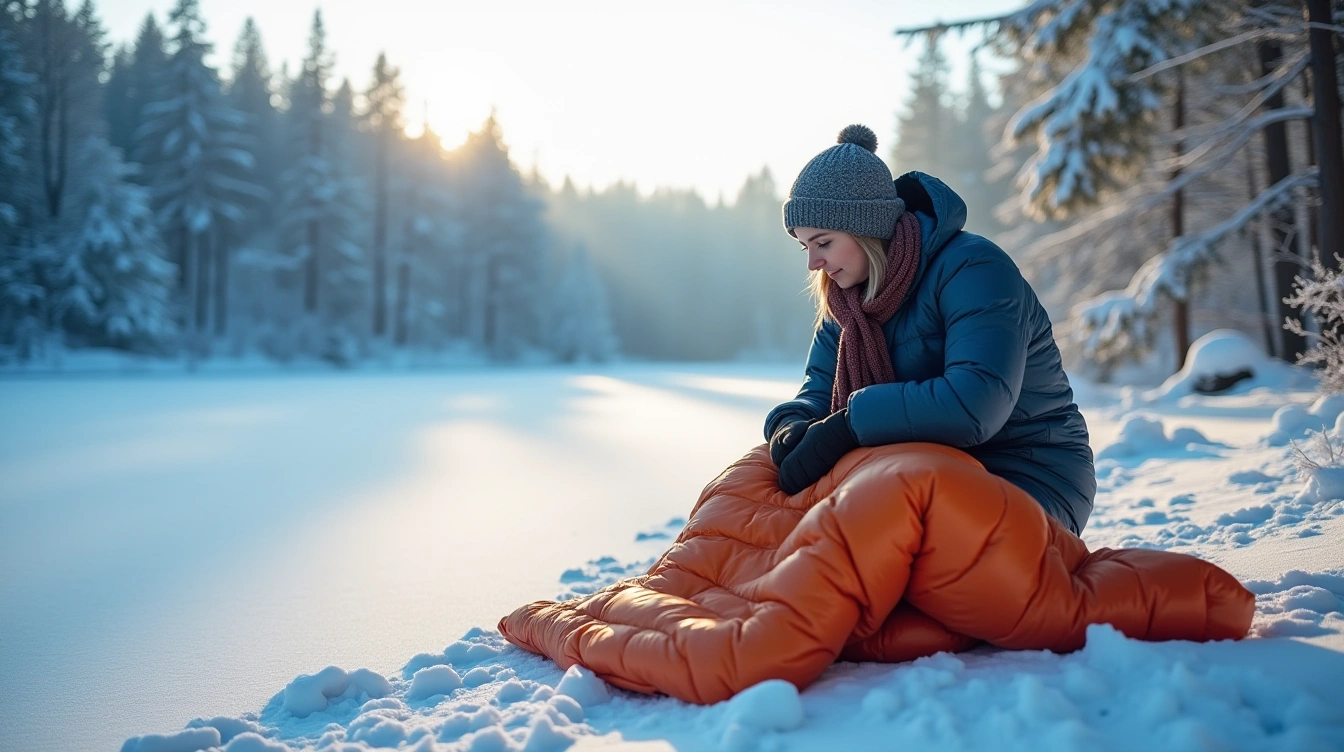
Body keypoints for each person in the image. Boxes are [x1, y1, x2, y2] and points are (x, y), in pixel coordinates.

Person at [765, 124, 1096, 535]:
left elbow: (975, 404)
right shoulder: (846, 303)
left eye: (824, 242)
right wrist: (788, 428)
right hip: (915, 472)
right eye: (805, 247)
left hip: (1026, 473)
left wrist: (849, 424)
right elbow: (817, 393)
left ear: (866, 227)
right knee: (758, 495)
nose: (813, 263)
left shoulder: (973, 268)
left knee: (894, 544)